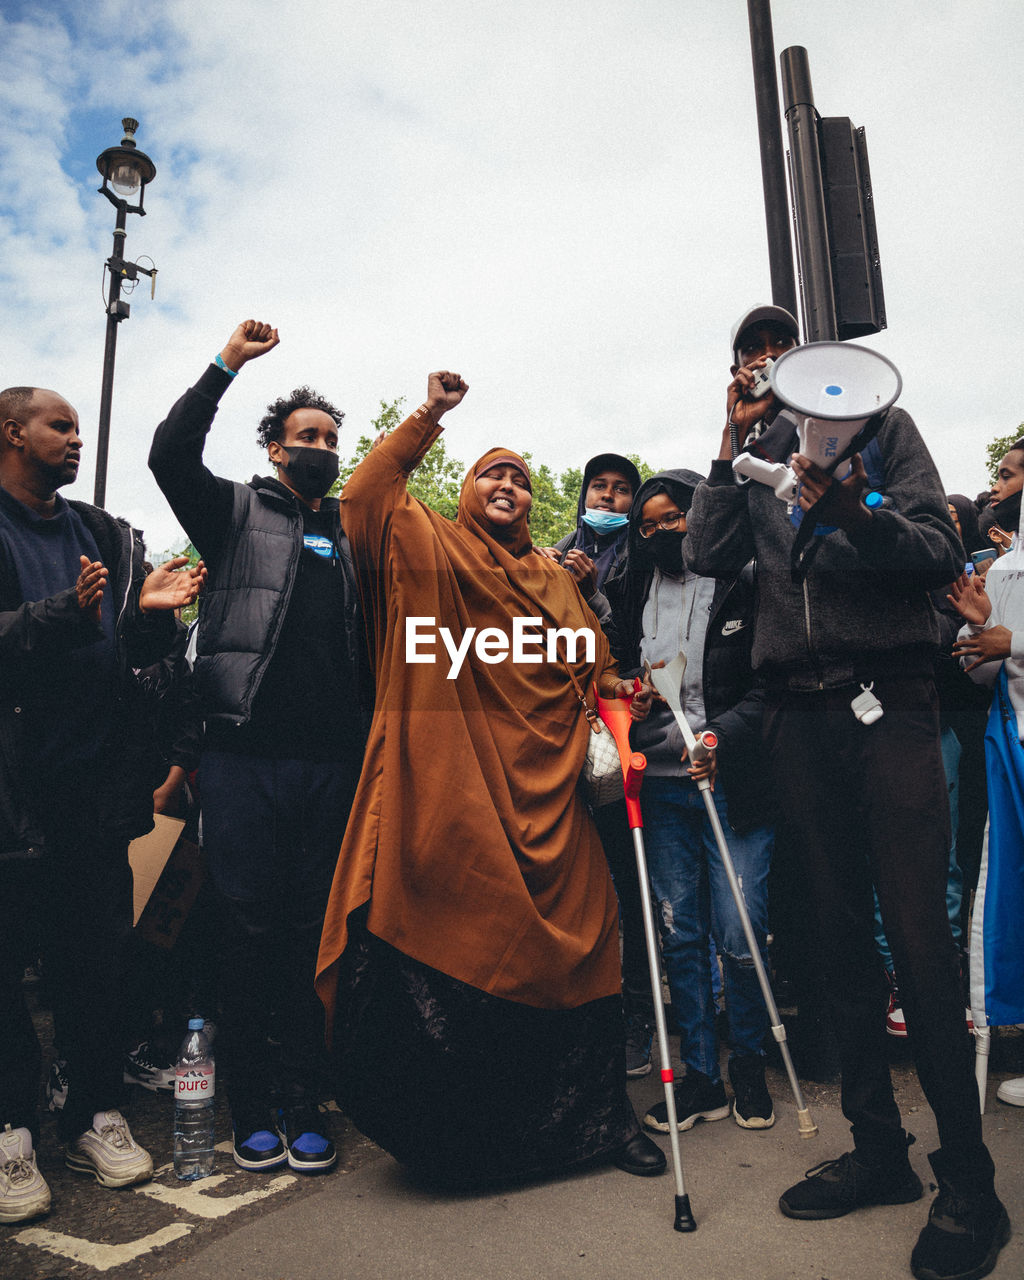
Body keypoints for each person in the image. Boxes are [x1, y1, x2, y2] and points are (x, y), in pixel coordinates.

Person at [683, 307, 1009, 1280]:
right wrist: (727, 445)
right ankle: (879, 1152)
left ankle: (968, 1177)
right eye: (750, 357)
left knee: (914, 936)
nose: (765, 364)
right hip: (798, 713)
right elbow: (707, 554)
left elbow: (936, 552)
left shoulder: (882, 431)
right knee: (831, 938)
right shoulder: (754, 453)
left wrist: (839, 507)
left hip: (893, 700)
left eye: (779, 349)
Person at [315, 372, 665, 1186]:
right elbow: (365, 494)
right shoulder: (426, 545)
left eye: (522, 478)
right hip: (454, 792)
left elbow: (593, 666)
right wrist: (430, 414)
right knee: (450, 946)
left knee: (588, 939)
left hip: (552, 798)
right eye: (492, 473)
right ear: (466, 493)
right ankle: (466, 1149)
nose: (508, 484)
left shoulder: (555, 581)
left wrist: (618, 692)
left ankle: (602, 1123)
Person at [149, 321, 371, 1176]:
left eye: (329, 438)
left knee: (315, 935)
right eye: (305, 436)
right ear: (276, 448)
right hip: (241, 757)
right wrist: (226, 365)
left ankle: (306, 1101)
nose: (319, 448)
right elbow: (170, 454)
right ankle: (252, 1109)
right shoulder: (234, 511)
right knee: (246, 932)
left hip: (331, 765)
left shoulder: (353, 532)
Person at [0, 385, 204, 1222]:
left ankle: (92, 1113)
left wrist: (149, 619)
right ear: (12, 433)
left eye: (81, 427)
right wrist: (62, 611)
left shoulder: (102, 534)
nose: (76, 439)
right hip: (14, 798)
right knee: (8, 970)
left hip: (94, 791)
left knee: (95, 968)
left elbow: (125, 658)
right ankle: (12, 1130)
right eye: (60, 425)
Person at [604, 468, 776, 1133]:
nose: (662, 532)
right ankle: (701, 1073)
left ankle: (751, 1062)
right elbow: (615, 671)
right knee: (680, 933)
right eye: (647, 525)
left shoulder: (746, 579)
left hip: (734, 782)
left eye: (675, 517)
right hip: (664, 784)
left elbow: (770, 685)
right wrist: (631, 693)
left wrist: (718, 736)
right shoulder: (630, 589)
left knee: (739, 931)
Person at [547, 454, 656, 1076]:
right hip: (567, 737)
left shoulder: (644, 558)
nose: (608, 499)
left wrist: (593, 597)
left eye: (621, 491)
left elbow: (631, 648)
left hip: (629, 730)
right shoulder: (555, 553)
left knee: (629, 883)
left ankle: (638, 1011)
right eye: (599, 488)